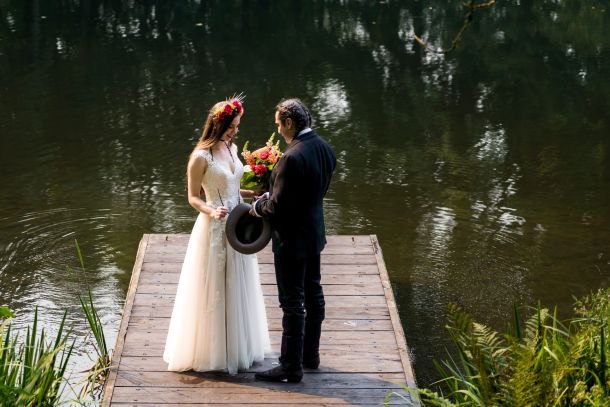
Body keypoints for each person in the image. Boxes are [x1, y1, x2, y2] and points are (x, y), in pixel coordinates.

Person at [163, 97, 271, 374]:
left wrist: (253, 194)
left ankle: (238, 346)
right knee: (215, 286)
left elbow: (234, 184)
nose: (235, 132)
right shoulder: (200, 157)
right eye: (231, 127)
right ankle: (214, 352)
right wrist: (210, 211)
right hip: (216, 225)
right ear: (218, 124)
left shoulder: (232, 148)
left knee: (239, 282)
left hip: (240, 224)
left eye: (237, 127)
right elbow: (192, 197)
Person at [251, 98, 336, 383]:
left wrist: (257, 206)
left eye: (278, 124)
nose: (277, 129)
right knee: (314, 293)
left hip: (290, 240)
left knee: (292, 302)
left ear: (289, 122)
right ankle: (310, 356)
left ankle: (290, 367)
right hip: (314, 234)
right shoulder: (325, 149)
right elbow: (313, 192)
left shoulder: (291, 157)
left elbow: (276, 208)